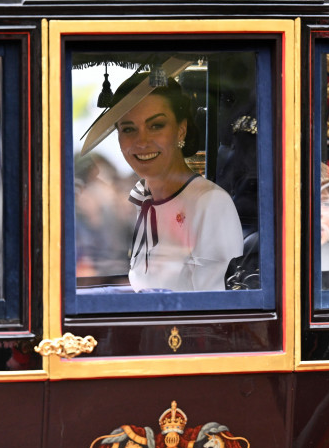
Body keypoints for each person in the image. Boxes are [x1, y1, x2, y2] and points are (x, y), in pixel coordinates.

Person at [82, 69, 243, 292]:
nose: (142, 141)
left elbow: (215, 308)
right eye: (129, 129)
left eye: (156, 126)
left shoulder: (210, 203)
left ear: (181, 130)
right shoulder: (142, 196)